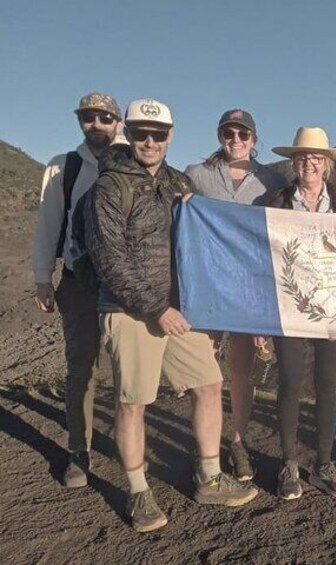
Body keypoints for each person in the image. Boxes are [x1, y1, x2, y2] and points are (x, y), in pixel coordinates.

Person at [85, 98, 258, 533]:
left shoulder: (177, 181)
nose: (149, 141)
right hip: (130, 310)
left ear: (170, 136)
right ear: (129, 131)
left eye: (158, 134)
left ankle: (209, 476)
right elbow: (109, 258)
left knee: (209, 383)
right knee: (133, 402)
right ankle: (138, 490)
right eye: (141, 133)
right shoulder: (109, 187)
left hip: (176, 310)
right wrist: (156, 309)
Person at [185, 108, 286, 481]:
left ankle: (239, 442)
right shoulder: (197, 176)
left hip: (249, 288)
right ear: (219, 136)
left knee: (242, 371)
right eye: (229, 133)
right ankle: (206, 448)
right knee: (204, 368)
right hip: (208, 284)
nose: (236, 140)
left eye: (243, 135)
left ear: (254, 140)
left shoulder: (272, 180)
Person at [32, 92, 122, 487]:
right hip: (77, 283)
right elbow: (49, 222)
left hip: (123, 286)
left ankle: (128, 445)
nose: (96, 124)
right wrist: (42, 277)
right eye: (88, 117)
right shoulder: (62, 167)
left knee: (127, 371)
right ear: (80, 122)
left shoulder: (136, 161)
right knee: (81, 367)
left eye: (104, 117)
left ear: (118, 121)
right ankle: (78, 451)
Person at [267, 126, 336, 500]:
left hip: (334, 307)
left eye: (316, 158)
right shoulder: (278, 202)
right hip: (290, 307)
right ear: (293, 162)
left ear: (326, 164)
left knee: (327, 383)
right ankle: (288, 462)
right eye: (302, 157)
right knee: (289, 381)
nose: (309, 164)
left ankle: (323, 462)